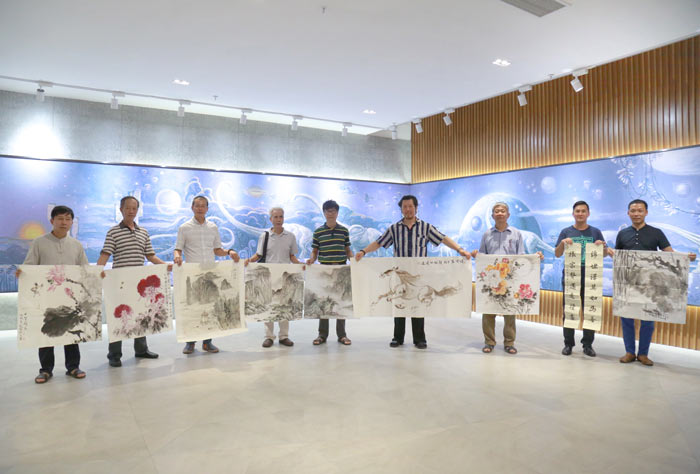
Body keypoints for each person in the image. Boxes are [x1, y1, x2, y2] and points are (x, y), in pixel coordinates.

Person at [355, 195, 470, 349]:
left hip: (419, 275)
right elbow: (379, 242)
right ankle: (397, 337)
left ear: (416, 208)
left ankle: (420, 339)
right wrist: (363, 251)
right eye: (405, 207)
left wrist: (460, 250)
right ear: (401, 209)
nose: (408, 209)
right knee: (399, 303)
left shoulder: (426, 227)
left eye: (410, 206)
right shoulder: (394, 229)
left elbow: (443, 239)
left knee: (418, 304)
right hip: (400, 274)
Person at [613, 199, 696, 366]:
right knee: (626, 317)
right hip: (628, 282)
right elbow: (618, 256)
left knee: (648, 318)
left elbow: (669, 254)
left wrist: (686, 258)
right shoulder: (622, 234)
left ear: (646, 212)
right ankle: (629, 352)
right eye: (633, 211)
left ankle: (643, 354)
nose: (636, 214)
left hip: (650, 284)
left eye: (640, 210)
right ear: (628, 213)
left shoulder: (656, 233)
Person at [17, 205, 89, 384]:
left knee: (71, 331)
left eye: (68, 219)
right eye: (60, 218)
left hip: (69, 297)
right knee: (46, 332)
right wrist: (23, 272)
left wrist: (96, 276)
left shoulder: (76, 245)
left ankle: (73, 366)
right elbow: (30, 265)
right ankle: (45, 370)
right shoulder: (39, 242)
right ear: (52, 221)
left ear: (72, 222)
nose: (64, 222)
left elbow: (85, 269)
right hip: (46, 296)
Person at [97, 196, 170, 367]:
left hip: (139, 283)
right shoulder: (113, 232)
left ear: (137, 210)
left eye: (134, 208)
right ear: (121, 210)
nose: (131, 211)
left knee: (140, 314)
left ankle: (141, 350)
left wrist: (165, 266)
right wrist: (96, 272)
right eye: (127, 208)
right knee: (119, 318)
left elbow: (150, 255)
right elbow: (105, 254)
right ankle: (114, 355)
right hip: (120, 283)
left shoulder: (143, 232)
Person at [472, 202, 543, 355]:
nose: (500, 213)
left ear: (508, 215)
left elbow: (521, 256)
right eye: (496, 211)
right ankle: (489, 342)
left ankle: (509, 343)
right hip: (492, 279)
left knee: (510, 311)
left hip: (510, 278)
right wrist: (476, 255)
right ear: (492, 216)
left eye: (502, 211)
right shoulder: (487, 234)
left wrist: (535, 257)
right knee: (488, 311)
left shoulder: (516, 234)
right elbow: (482, 256)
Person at [173, 196, 240, 354]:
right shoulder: (184, 228)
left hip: (209, 274)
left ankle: (207, 342)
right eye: (197, 206)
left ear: (207, 209)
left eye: (203, 206)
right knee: (192, 308)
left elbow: (217, 250)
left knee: (209, 307)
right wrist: (177, 256)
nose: (200, 208)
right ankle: (190, 343)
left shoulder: (213, 227)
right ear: (192, 207)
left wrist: (229, 252)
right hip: (192, 275)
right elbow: (178, 249)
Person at [554, 201, 613, 357]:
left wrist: (602, 247)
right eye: (577, 211)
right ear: (573, 213)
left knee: (590, 310)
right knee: (569, 310)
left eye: (583, 211)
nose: (580, 214)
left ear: (588, 213)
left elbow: (604, 254)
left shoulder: (595, 232)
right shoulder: (566, 231)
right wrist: (562, 243)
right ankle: (568, 344)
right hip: (571, 275)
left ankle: (588, 345)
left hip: (590, 276)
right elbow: (557, 254)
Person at [245, 207, 302, 348]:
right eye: (275, 217)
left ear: (284, 218)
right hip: (268, 276)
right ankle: (269, 337)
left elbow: (292, 256)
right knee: (268, 305)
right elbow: (259, 254)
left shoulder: (290, 236)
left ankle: (284, 336)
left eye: (281, 216)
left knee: (284, 305)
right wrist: (249, 261)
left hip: (285, 276)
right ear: (270, 219)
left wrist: (300, 265)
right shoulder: (264, 236)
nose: (278, 219)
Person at [306, 200, 353, 346]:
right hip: (324, 271)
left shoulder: (344, 231)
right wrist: (311, 259)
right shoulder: (318, 232)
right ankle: (322, 335)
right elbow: (315, 251)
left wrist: (354, 260)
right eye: (328, 211)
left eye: (333, 211)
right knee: (323, 301)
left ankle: (342, 335)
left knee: (341, 302)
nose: (330, 213)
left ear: (337, 213)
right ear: (324, 213)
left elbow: (347, 250)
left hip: (341, 271)